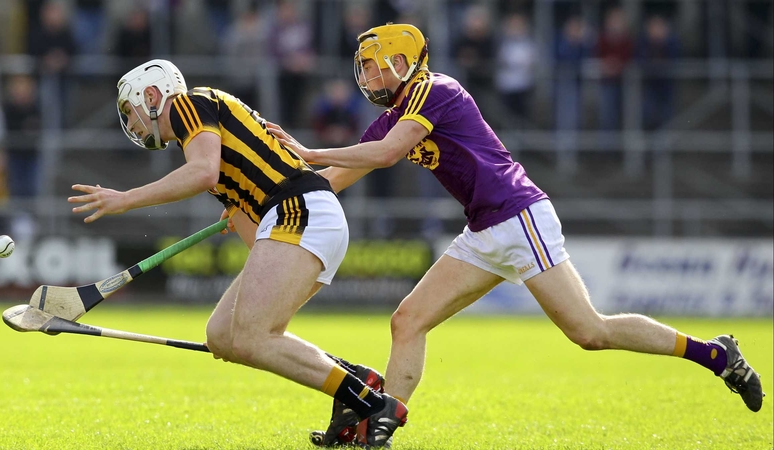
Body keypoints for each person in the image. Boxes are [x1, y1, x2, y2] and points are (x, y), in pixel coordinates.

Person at [267, 23, 765, 447]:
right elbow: (337, 178)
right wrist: (267, 201)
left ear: (402, 62)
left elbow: (385, 154)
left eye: (374, 66)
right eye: (364, 68)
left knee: (590, 333)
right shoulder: (391, 117)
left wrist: (311, 152)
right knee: (408, 320)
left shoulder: (435, 89)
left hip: (519, 216)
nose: (368, 77)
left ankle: (715, 354)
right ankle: (383, 421)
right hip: (483, 229)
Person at [67, 59, 408, 449]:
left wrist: (126, 199)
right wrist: (241, 205)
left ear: (152, 95)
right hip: (298, 219)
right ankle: (355, 380)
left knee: (251, 335)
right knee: (224, 336)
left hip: (300, 212)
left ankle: (373, 404)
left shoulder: (188, 104)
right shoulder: (207, 143)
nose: (131, 123)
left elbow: (202, 173)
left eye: (130, 111)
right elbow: (248, 231)